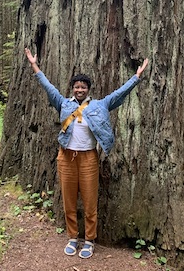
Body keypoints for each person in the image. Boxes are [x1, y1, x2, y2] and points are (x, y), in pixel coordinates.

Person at [25, 48, 149, 259]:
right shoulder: (63, 103)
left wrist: (136, 77)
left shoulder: (100, 105)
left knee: (90, 201)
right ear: (72, 89)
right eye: (76, 87)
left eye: (83, 87)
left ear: (88, 89)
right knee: (69, 201)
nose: (79, 89)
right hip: (66, 157)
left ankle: (89, 240)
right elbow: (48, 87)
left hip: (89, 158)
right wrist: (35, 66)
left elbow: (119, 93)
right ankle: (73, 237)